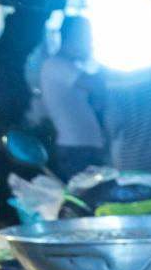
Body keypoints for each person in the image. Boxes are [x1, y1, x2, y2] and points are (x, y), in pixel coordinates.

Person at [37, 16, 105, 177]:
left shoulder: (69, 66)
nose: (90, 44)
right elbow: (95, 84)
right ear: (73, 37)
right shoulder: (55, 65)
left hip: (83, 147)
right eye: (87, 37)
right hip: (77, 150)